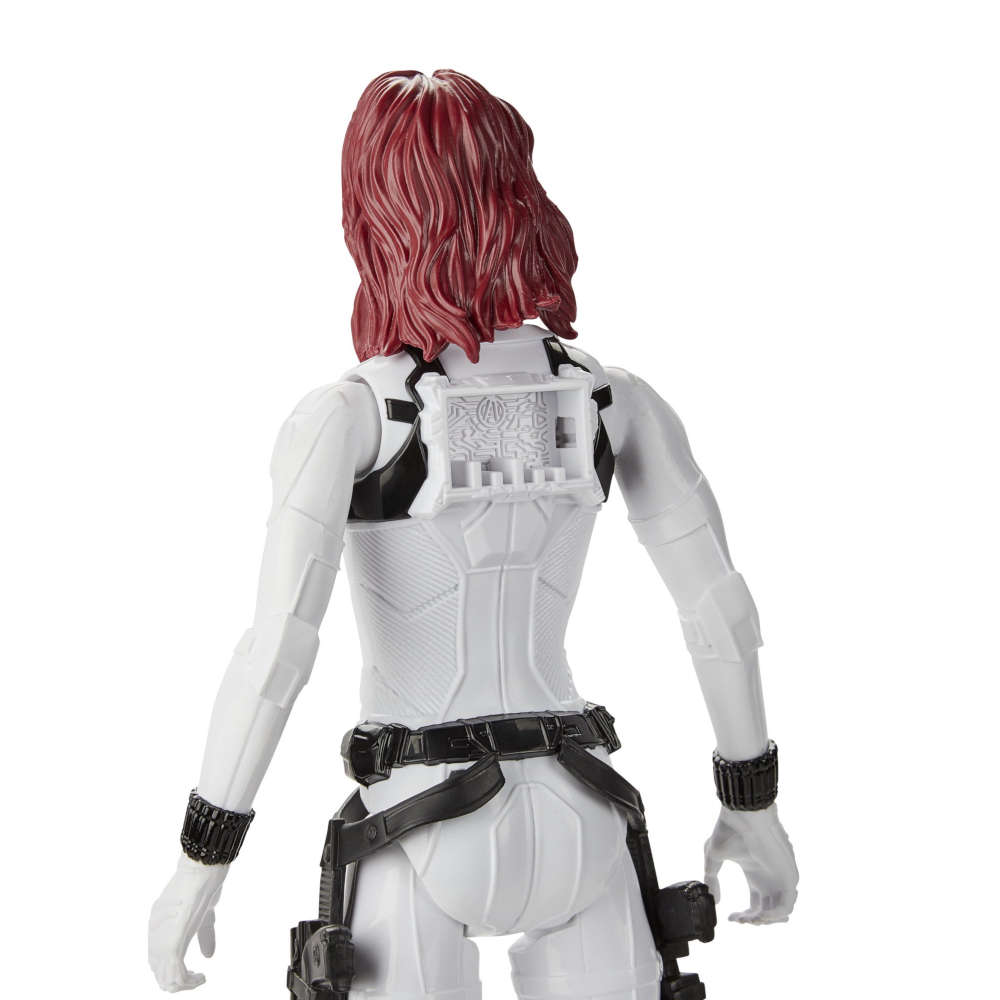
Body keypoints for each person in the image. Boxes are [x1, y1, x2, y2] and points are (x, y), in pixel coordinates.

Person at [149, 69, 798, 1000]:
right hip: (584, 812)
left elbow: (277, 651)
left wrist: (202, 860)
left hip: (419, 818)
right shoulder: (612, 398)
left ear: (374, 212)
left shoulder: (352, 416)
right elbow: (720, 611)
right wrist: (753, 804)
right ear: (520, 195)